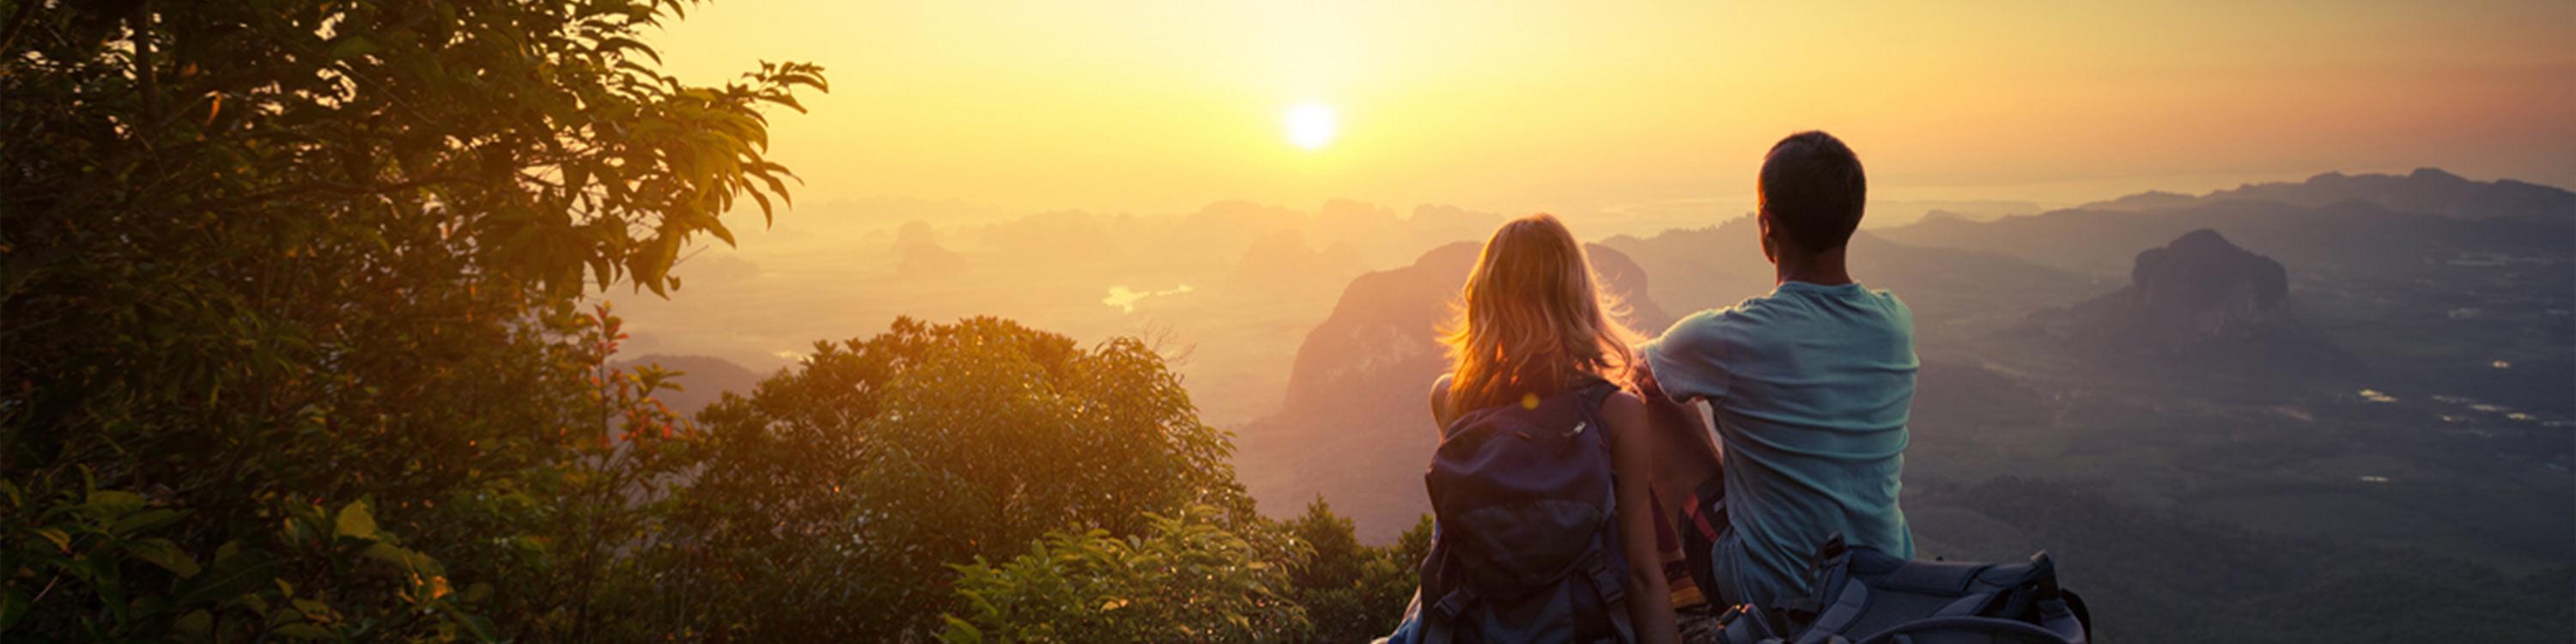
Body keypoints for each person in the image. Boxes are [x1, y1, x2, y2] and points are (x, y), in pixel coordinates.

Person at [1633, 131, 1918, 612]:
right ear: (1853, 219)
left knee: (1647, 396)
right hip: (1884, 580)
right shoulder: (1895, 321)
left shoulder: (1728, 338)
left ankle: (1668, 576)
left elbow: (1636, 369)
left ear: (1767, 225)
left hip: (1771, 591)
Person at [1419, 213, 1679, 644]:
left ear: (1483, 298)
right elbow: (1642, 575)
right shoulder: (1618, 412)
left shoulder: (1451, 399)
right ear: (1578, 298)